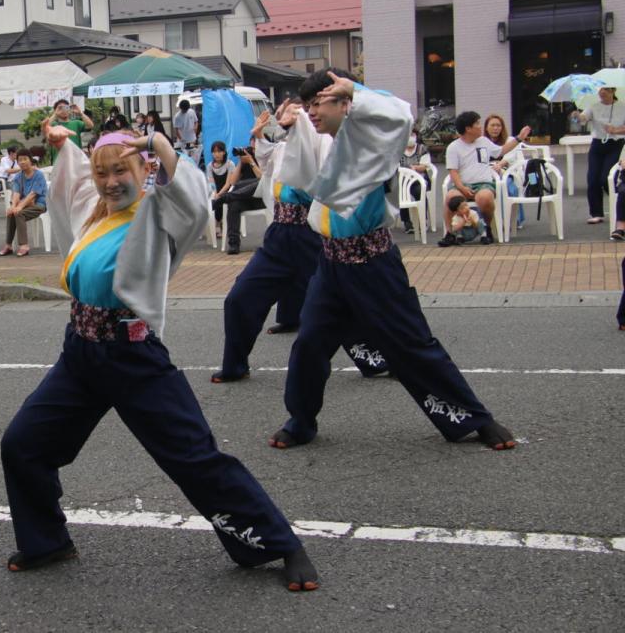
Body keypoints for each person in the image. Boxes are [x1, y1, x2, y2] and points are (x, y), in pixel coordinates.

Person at [0, 122, 319, 591]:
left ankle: (281, 544)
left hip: (133, 356)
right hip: (81, 353)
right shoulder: (97, 211)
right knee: (22, 444)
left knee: (193, 458)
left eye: (121, 170)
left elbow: (191, 202)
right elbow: (68, 188)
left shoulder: (158, 214)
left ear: (143, 169)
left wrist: (161, 146)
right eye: (103, 172)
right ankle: (46, 541)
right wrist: (65, 144)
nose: (111, 182)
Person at [268, 69, 516, 452]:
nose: (311, 113)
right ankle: (300, 422)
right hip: (331, 264)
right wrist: (290, 128)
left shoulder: (370, 138)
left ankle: (477, 418)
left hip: (372, 265)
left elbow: (399, 116)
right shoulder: (323, 140)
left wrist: (357, 89)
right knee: (309, 344)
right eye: (308, 105)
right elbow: (301, 173)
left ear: (344, 103)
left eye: (319, 103)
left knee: (412, 345)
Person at [213, 104, 387, 383]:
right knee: (239, 298)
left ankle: (373, 358)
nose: (286, 118)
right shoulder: (285, 147)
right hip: (279, 237)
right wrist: (258, 136)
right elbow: (268, 158)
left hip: (310, 237)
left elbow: (321, 172)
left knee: (336, 303)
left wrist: (300, 120)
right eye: (284, 113)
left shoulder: (323, 143)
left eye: (295, 114)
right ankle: (235, 365)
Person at [438, 111, 529, 246]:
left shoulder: (484, 141)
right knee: (450, 197)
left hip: (484, 184)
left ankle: (487, 228)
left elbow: (502, 151)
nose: (481, 127)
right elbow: (453, 171)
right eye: (477, 124)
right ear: (468, 128)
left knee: (484, 198)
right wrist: (462, 187)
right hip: (462, 184)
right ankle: (450, 233)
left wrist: (519, 138)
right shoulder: (454, 147)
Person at [578, 87, 625, 224]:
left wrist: (616, 130)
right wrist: (577, 116)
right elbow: (583, 118)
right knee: (592, 178)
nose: (602, 93)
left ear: (612, 91)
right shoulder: (593, 106)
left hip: (615, 144)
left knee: (605, 178)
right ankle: (596, 213)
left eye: (606, 90)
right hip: (597, 145)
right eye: (601, 91)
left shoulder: (622, 107)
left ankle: (620, 205)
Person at [216, 139, 264, 256]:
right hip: (245, 199)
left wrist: (252, 162)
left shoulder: (266, 158)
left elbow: (263, 179)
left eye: (255, 148)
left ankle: (227, 197)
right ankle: (233, 243)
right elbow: (232, 182)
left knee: (253, 183)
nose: (253, 151)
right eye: (251, 148)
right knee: (233, 204)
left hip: (261, 198)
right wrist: (241, 163)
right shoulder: (245, 161)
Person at [0, 152, 46, 257]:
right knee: (12, 213)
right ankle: (8, 245)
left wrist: (19, 207)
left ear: (30, 160)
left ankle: (24, 246)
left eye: (25, 159)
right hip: (25, 203)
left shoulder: (38, 175)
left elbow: (33, 194)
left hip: (39, 204)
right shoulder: (18, 176)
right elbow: (16, 193)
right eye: (20, 160)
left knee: (19, 213)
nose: (22, 162)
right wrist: (13, 207)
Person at [483, 114, 524, 231]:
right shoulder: (482, 142)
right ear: (486, 128)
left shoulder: (510, 140)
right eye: (492, 125)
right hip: (487, 173)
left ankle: (512, 219)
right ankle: (490, 220)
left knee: (509, 187)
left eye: (498, 125)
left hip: (506, 172)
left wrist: (499, 165)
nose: (496, 128)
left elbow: (509, 157)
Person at [204, 141, 233, 238]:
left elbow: (228, 183)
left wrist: (219, 193)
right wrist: (215, 193)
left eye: (219, 151)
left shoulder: (230, 164)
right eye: (214, 152)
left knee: (220, 198)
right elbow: (211, 182)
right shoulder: (209, 166)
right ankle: (217, 224)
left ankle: (219, 224)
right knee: (213, 200)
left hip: (228, 191)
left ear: (224, 152)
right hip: (215, 191)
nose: (217, 154)